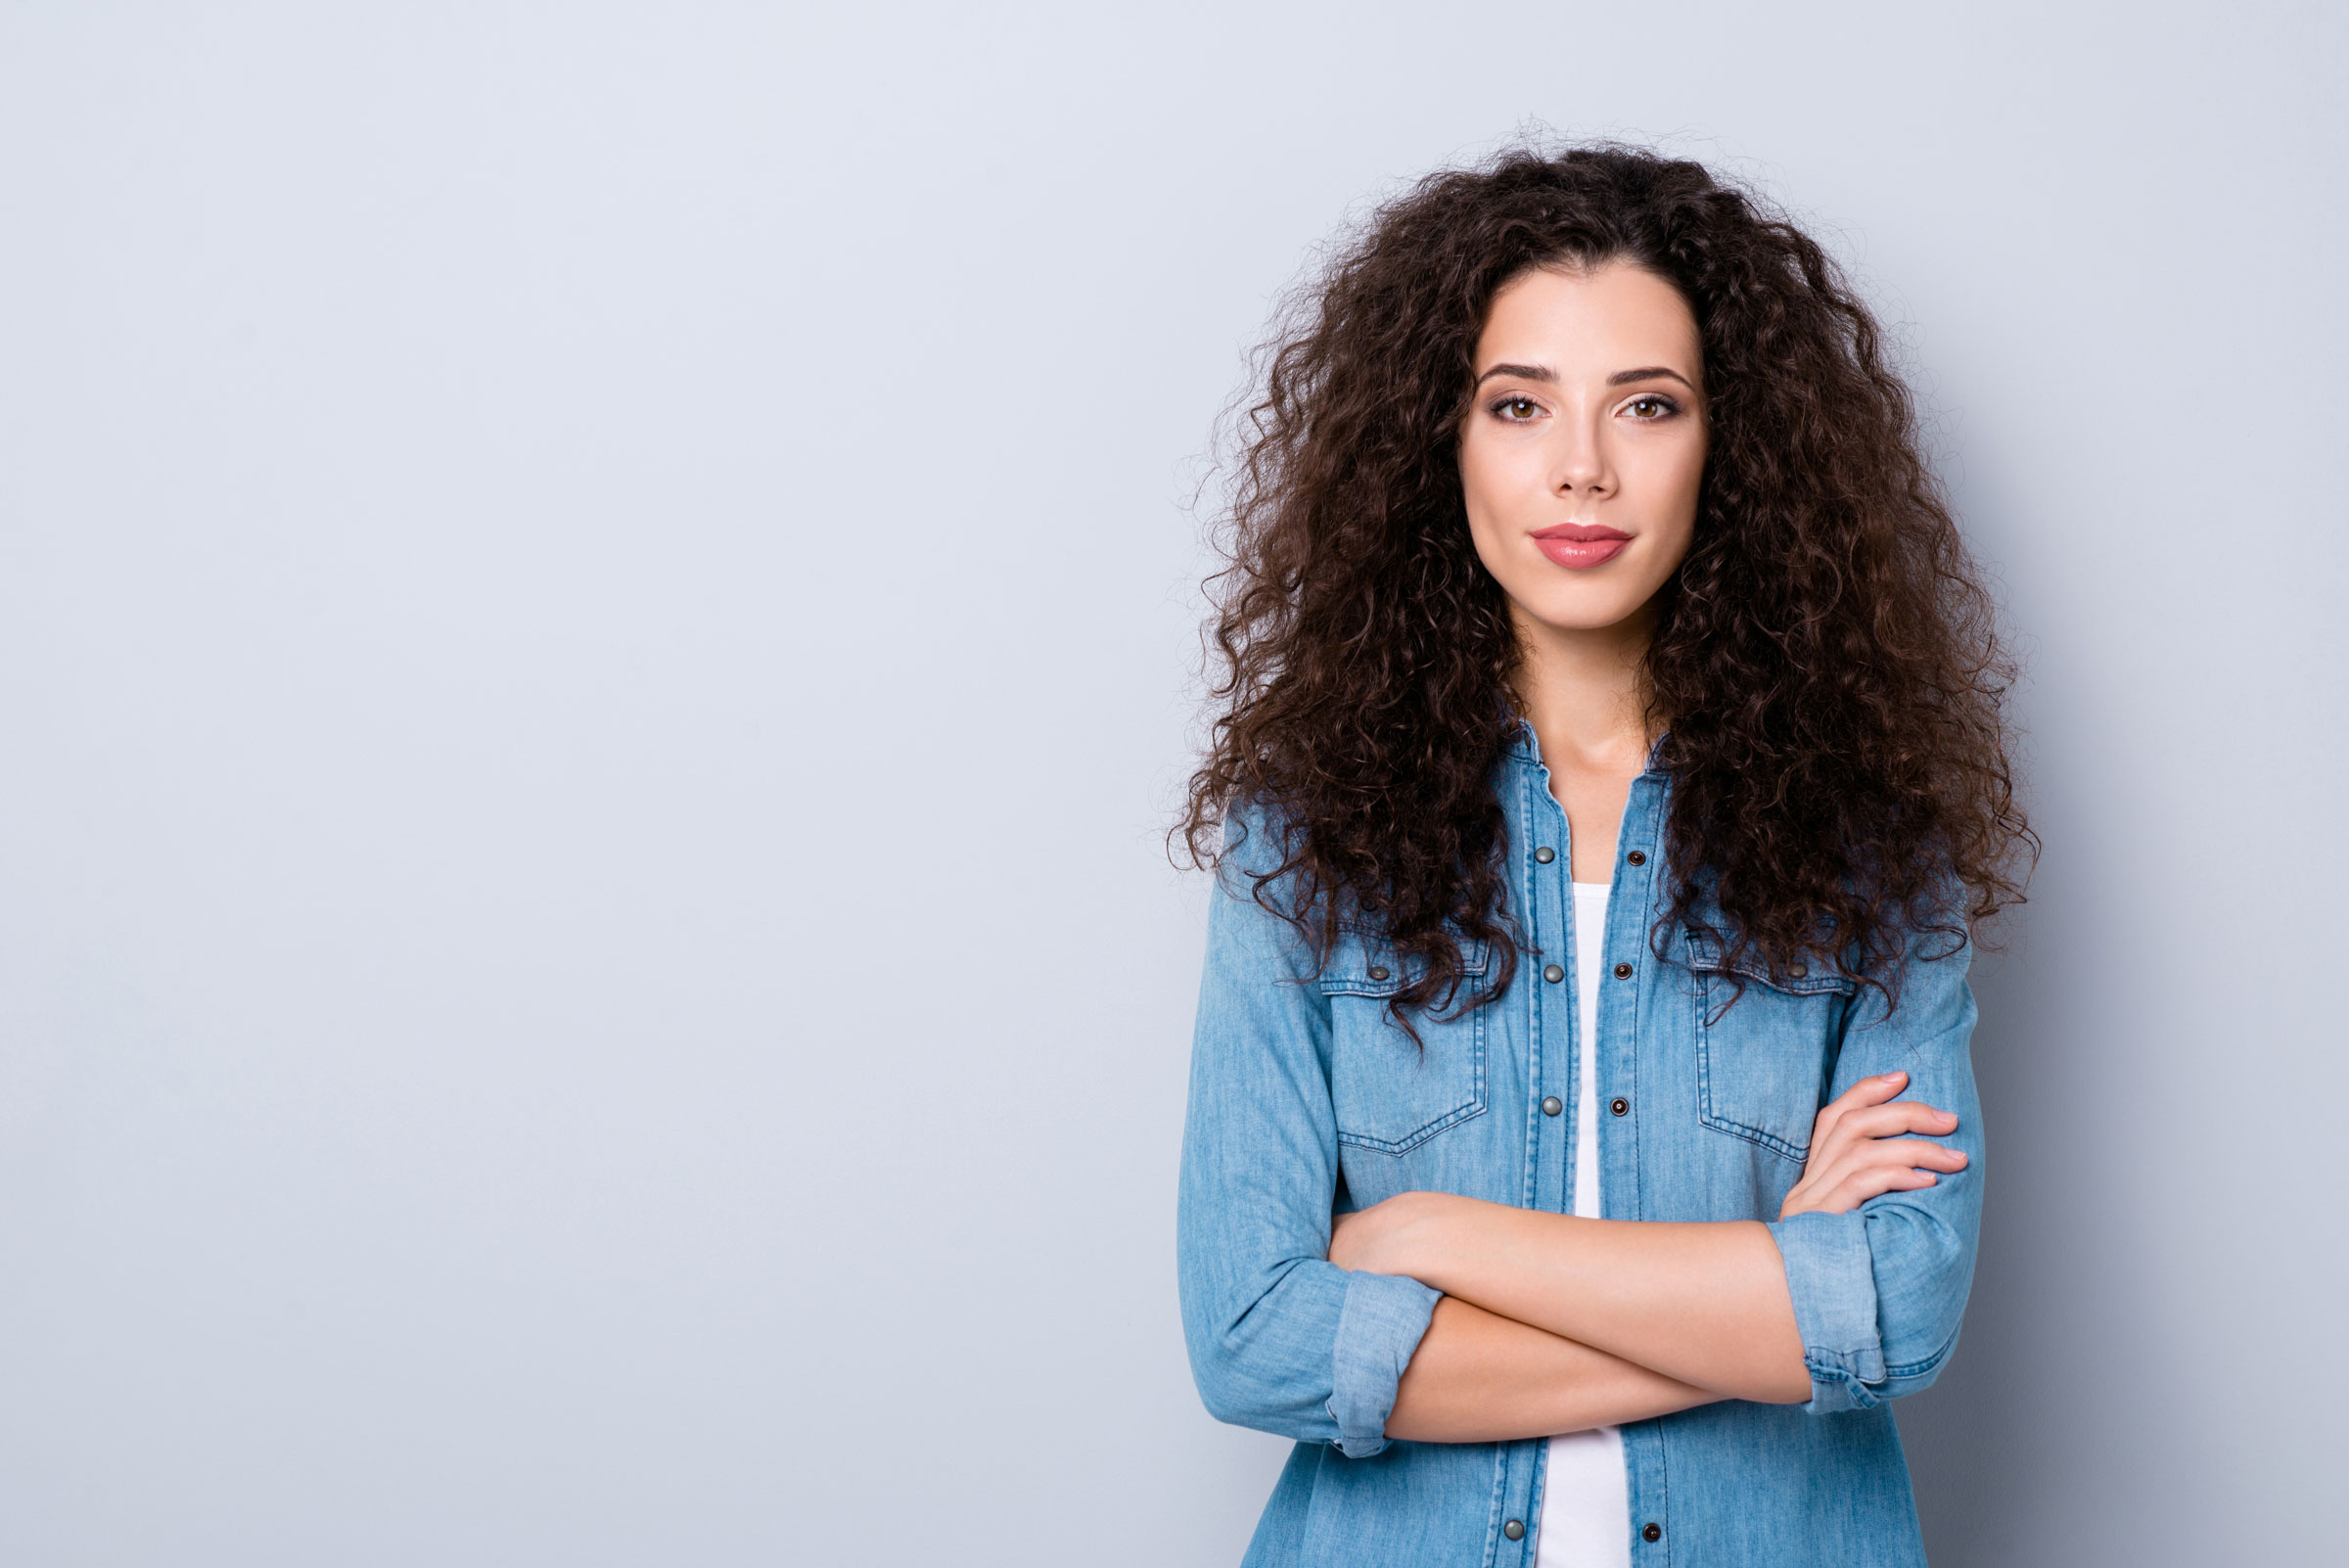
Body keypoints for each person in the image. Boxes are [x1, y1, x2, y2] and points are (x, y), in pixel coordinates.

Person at [1174, 144, 2033, 1567]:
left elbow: (1900, 1307)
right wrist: (1766, 1312)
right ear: (1438, 440)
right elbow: (1257, 1333)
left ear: (1731, 445)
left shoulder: (1874, 853)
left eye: (1649, 404)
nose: (1583, 465)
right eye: (1519, 405)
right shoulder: (1300, 840)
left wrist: (1427, 1233)